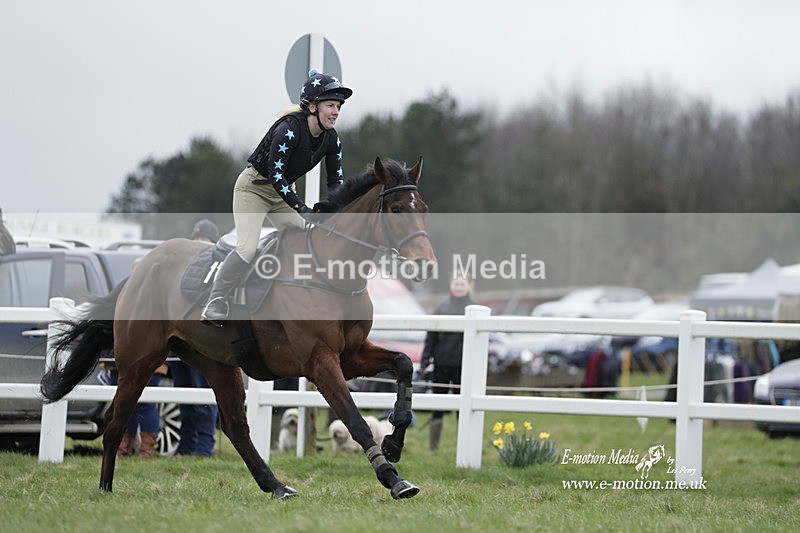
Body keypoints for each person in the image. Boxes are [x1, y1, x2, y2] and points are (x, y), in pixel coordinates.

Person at [201, 69, 352, 326]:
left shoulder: (332, 139)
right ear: (312, 106)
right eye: (330, 105)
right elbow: (276, 174)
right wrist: (302, 208)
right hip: (254, 190)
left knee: (310, 240)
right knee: (248, 248)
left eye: (338, 106)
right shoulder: (289, 129)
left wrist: (334, 213)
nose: (336, 111)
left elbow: (335, 182)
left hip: (283, 193)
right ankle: (216, 300)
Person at [169, 219, 221, 456]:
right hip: (181, 341)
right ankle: (186, 444)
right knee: (184, 396)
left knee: (203, 396)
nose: (200, 244)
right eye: (197, 239)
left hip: (203, 343)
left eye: (205, 240)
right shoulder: (182, 273)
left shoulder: (217, 274)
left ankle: (204, 446)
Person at [420, 275, 477, 451]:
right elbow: (431, 337)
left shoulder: (474, 309)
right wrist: (425, 358)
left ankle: (464, 445)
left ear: (468, 286)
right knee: (438, 406)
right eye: (456, 283)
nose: (459, 286)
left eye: (462, 283)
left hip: (464, 366)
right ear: (451, 285)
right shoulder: (441, 307)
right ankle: (433, 447)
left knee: (464, 409)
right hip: (441, 365)